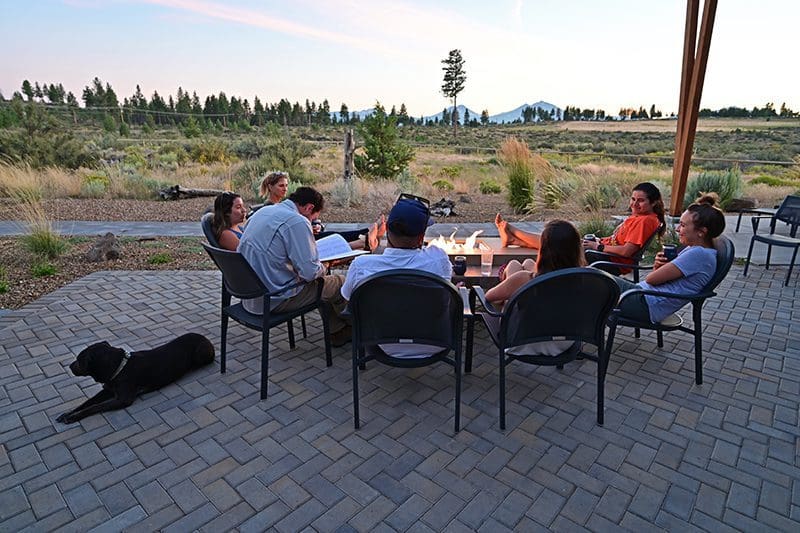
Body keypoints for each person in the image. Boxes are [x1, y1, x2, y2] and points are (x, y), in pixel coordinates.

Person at [238, 186, 352, 346]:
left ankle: (337, 331)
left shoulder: (264, 212)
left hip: (250, 296)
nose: (312, 222)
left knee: (322, 285)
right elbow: (310, 273)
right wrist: (325, 265)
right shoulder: (297, 221)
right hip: (275, 298)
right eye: (313, 218)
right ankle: (357, 328)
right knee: (339, 282)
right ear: (309, 208)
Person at [340, 196, 452, 358]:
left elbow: (348, 298)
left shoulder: (362, 265)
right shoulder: (438, 258)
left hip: (382, 343)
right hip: (435, 342)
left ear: (387, 231)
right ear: (421, 237)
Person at [613, 193, 725, 324]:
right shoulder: (699, 251)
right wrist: (658, 266)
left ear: (702, 232)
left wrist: (658, 269)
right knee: (590, 280)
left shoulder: (699, 255)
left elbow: (651, 279)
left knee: (591, 280)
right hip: (643, 296)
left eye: (683, 225)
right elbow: (656, 280)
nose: (678, 229)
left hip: (645, 304)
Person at [496, 182, 666, 266]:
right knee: (561, 240)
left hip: (608, 260)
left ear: (653, 202)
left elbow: (626, 252)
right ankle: (515, 240)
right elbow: (618, 242)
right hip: (602, 251)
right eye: (633, 199)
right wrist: (599, 241)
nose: (634, 204)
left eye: (641, 201)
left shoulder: (645, 221)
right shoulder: (642, 217)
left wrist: (597, 247)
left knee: (557, 241)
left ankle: (512, 230)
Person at [485, 219, 586, 356]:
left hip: (523, 340)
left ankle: (512, 291)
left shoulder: (524, 279)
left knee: (514, 270)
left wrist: (510, 289)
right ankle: (514, 290)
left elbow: (489, 297)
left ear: (543, 249)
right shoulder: (586, 279)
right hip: (564, 341)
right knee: (526, 263)